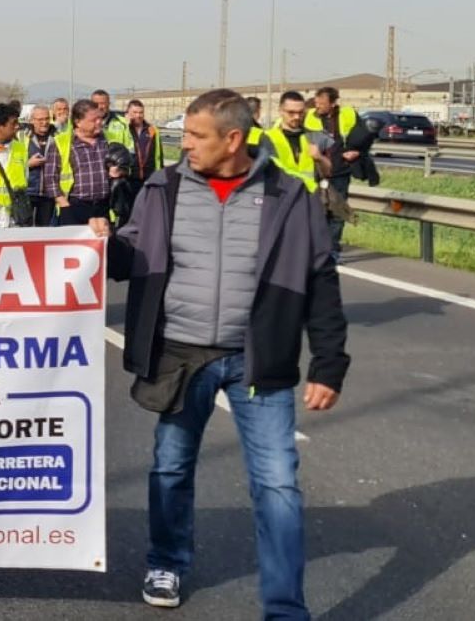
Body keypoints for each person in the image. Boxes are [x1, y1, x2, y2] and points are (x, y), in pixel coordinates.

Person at [94, 89, 348, 618]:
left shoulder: (289, 195)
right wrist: (102, 241)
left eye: (195, 136)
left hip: (259, 359)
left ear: (233, 139)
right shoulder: (163, 187)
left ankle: (284, 607)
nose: (184, 144)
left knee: (277, 483)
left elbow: (320, 278)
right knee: (170, 466)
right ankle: (166, 560)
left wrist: (329, 363)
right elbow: (130, 257)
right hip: (181, 355)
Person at [307, 86, 364, 258]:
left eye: (322, 103)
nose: (318, 107)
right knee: (318, 212)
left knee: (338, 213)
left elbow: (364, 137)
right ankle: (318, 249)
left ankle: (332, 251)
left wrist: (357, 151)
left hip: (340, 172)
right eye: (316, 103)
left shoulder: (348, 115)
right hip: (315, 173)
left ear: (332, 103)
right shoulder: (308, 117)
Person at [51, 99, 115, 225]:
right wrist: (64, 205)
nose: (99, 123)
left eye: (100, 119)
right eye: (94, 120)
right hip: (74, 207)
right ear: (78, 122)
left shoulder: (109, 139)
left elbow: (124, 167)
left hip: (104, 206)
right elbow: (50, 179)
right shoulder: (61, 142)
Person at [269, 92, 328, 193]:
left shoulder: (314, 136)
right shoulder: (267, 138)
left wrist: (320, 158)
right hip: (280, 198)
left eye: (300, 113)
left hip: (308, 196)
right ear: (280, 111)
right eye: (291, 112)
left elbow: (329, 171)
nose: (297, 117)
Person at [23, 105, 60, 228]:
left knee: (44, 230)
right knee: (24, 229)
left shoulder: (58, 137)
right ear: (32, 120)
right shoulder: (21, 137)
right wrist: (28, 164)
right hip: (27, 191)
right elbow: (12, 164)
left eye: (46, 119)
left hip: (49, 193)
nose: (44, 123)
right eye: (40, 120)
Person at [125, 99, 163, 182]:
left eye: (141, 112)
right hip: (128, 178)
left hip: (149, 177)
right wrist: (125, 125)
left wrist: (160, 174)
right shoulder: (123, 129)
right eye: (135, 112)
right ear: (127, 113)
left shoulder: (152, 130)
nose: (138, 115)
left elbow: (159, 155)